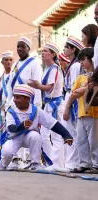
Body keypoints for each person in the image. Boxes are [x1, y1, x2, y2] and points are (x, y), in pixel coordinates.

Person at [0, 84, 73, 171]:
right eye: (14, 97)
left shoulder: (36, 111)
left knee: (35, 136)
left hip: (29, 138)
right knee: (7, 152)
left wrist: (66, 135)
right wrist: (22, 126)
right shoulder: (11, 111)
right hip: (14, 138)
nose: (15, 100)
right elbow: (11, 128)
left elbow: (52, 123)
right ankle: (3, 164)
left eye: (18, 97)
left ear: (27, 99)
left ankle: (35, 163)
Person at [5, 36, 43, 169]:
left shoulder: (34, 64)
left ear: (29, 48)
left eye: (23, 46)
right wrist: (8, 102)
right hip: (15, 104)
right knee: (16, 131)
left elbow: (37, 87)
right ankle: (15, 160)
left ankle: (32, 161)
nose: (20, 49)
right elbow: (10, 85)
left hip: (29, 104)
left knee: (30, 132)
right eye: (18, 46)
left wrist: (37, 106)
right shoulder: (15, 64)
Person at [28, 42, 66, 171]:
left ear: (53, 54)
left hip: (55, 105)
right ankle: (52, 162)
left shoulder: (54, 69)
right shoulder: (47, 69)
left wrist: (38, 86)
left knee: (55, 135)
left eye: (45, 51)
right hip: (49, 105)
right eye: (42, 51)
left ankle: (58, 164)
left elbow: (50, 88)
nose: (42, 53)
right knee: (44, 135)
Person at [63, 48, 98, 173]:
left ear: (91, 59)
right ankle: (84, 163)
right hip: (81, 113)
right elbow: (73, 94)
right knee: (81, 140)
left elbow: (78, 92)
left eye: (84, 59)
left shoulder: (95, 77)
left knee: (93, 141)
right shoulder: (81, 78)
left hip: (93, 113)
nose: (82, 63)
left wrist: (80, 91)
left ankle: (96, 164)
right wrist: (67, 107)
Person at [62, 35, 84, 170]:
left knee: (72, 132)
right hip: (69, 96)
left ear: (73, 49)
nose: (64, 49)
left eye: (66, 47)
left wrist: (68, 106)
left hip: (72, 98)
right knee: (69, 131)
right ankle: (71, 162)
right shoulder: (72, 65)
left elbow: (75, 87)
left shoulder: (75, 66)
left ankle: (72, 162)